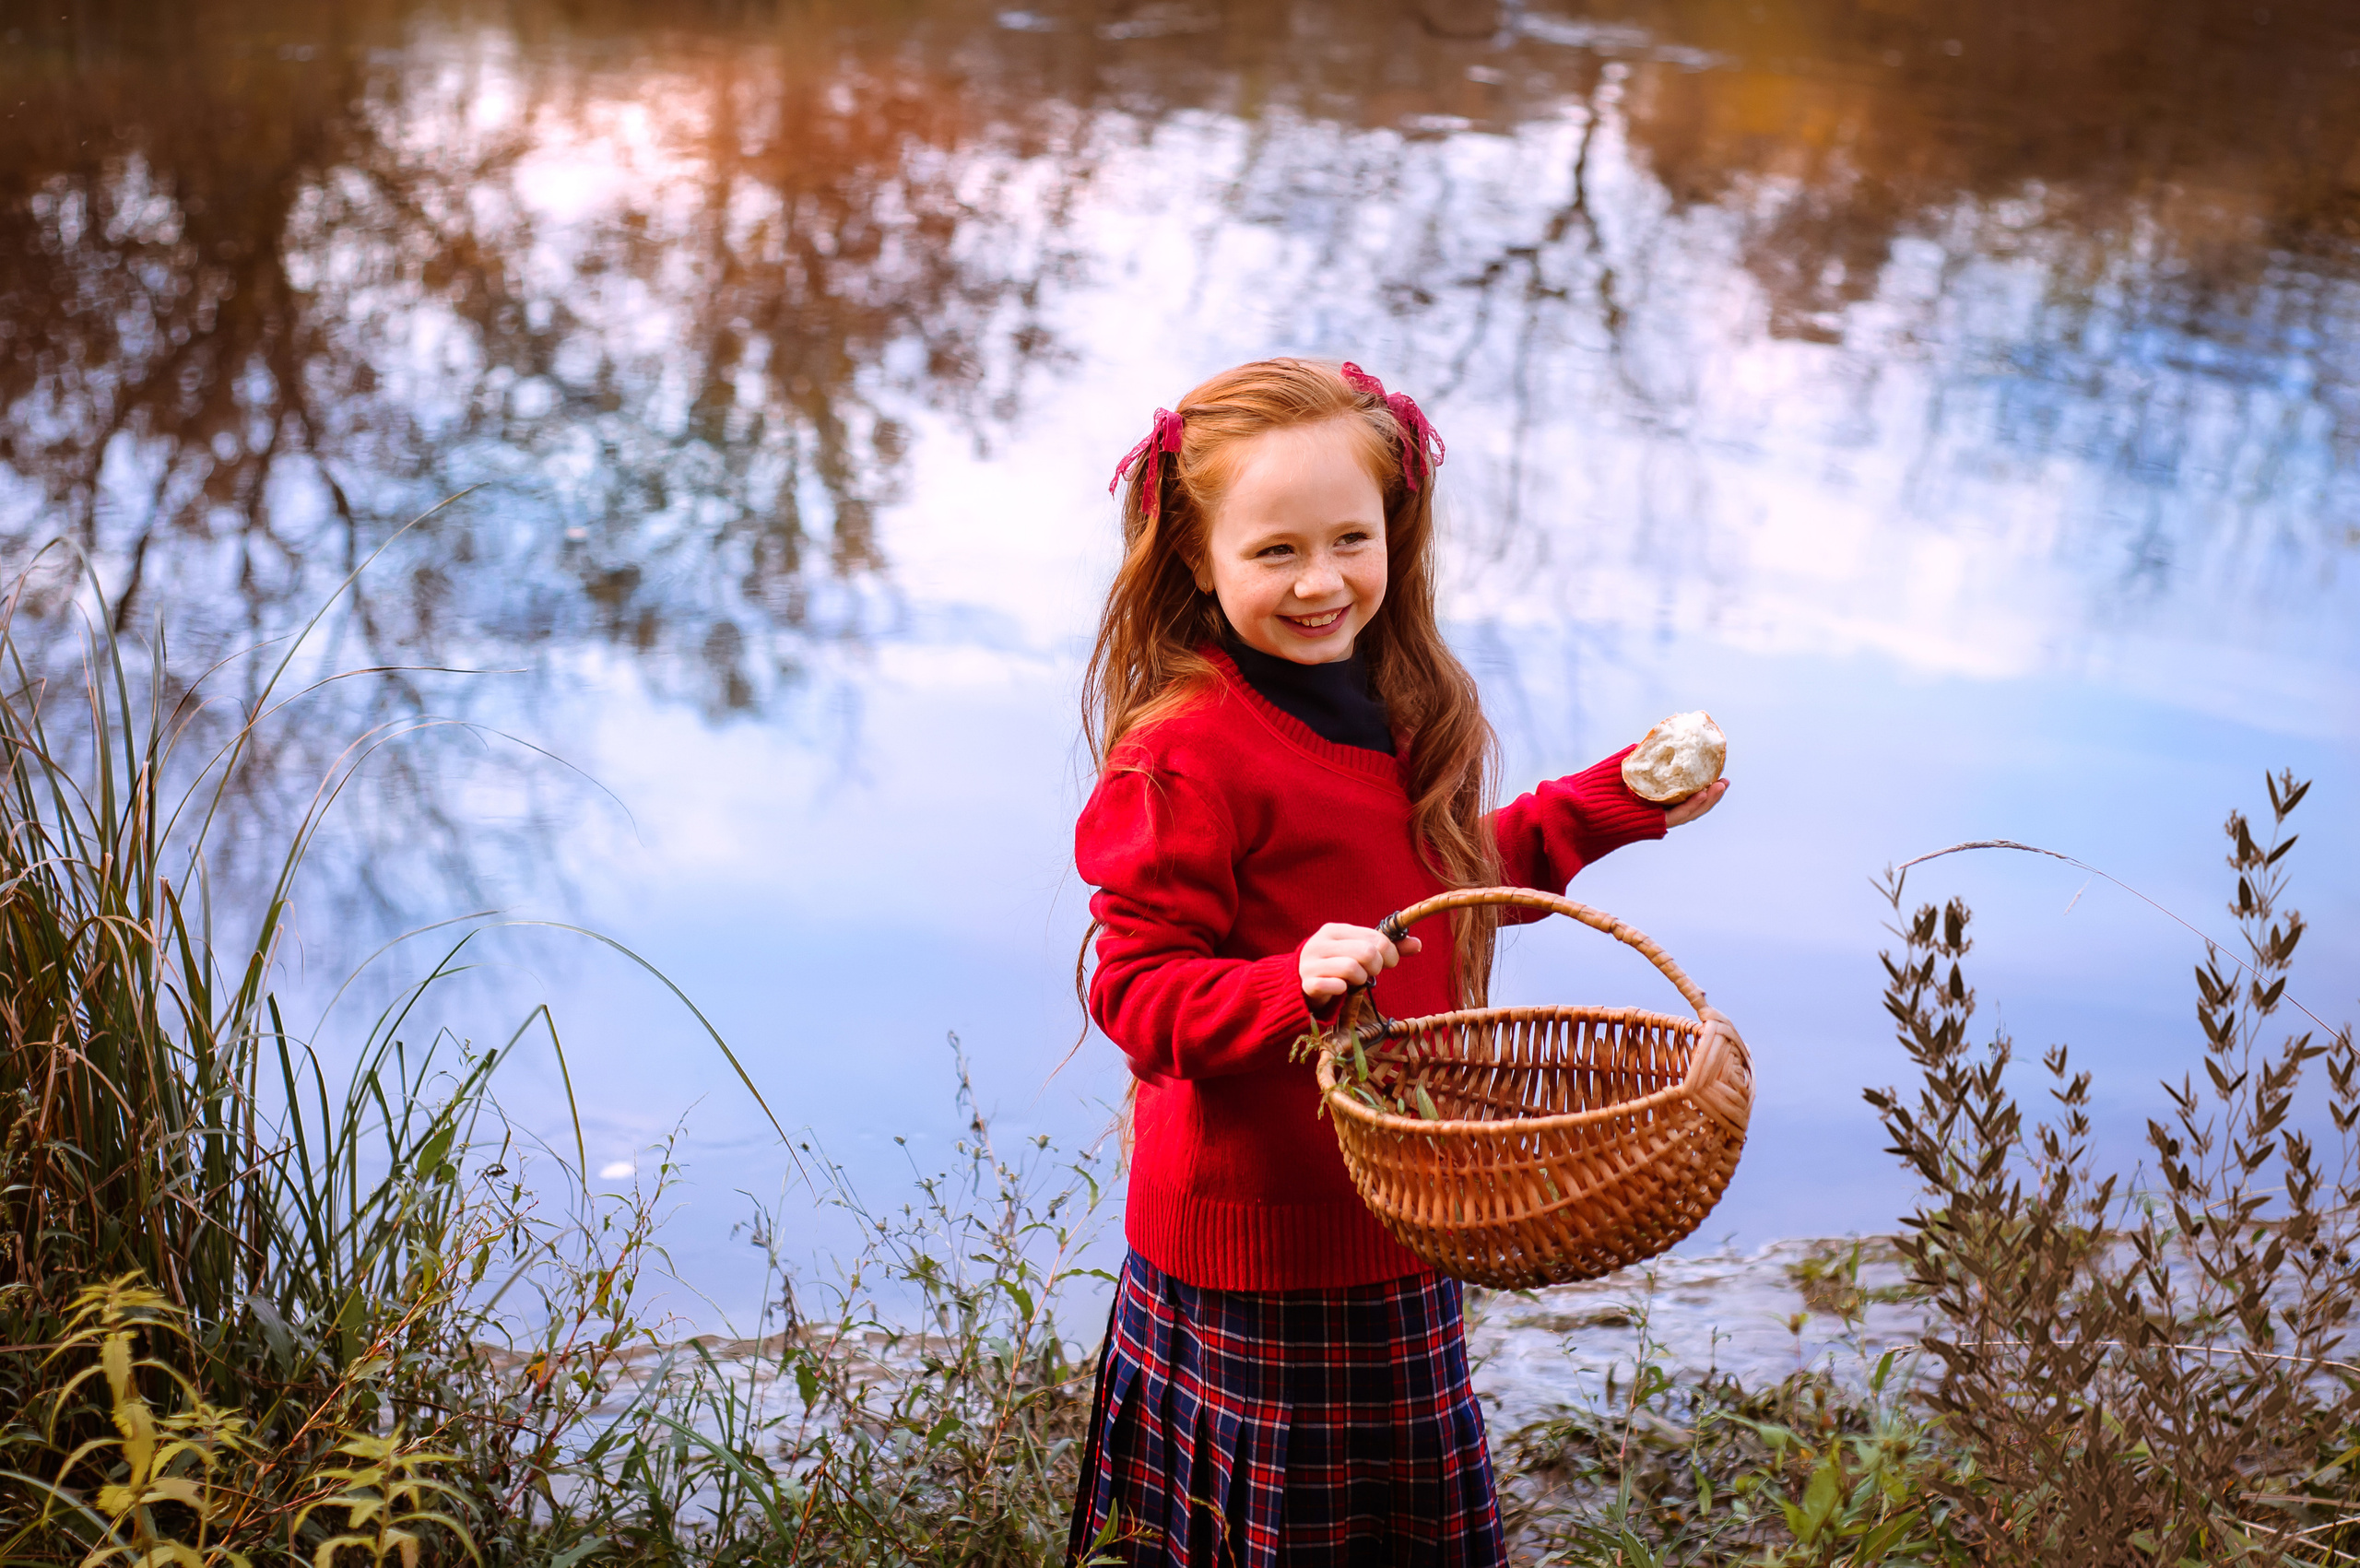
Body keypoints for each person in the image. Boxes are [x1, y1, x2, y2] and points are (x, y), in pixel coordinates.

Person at [1066, 358, 1735, 1568]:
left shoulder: (1401, 700)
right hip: (1255, 1251)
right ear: (1195, 557)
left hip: (1401, 1206)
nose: (1322, 581)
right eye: (1274, 552)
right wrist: (1286, 979)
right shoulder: (1187, 754)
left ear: (1396, 531)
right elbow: (1137, 989)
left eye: (1349, 539)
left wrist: (1603, 803)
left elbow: (1437, 890)